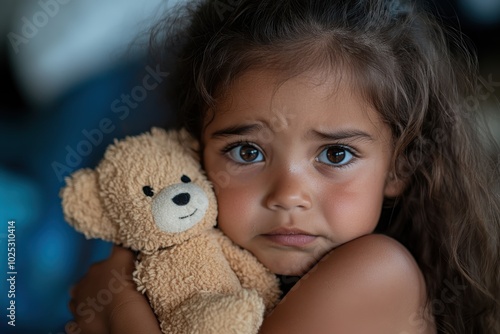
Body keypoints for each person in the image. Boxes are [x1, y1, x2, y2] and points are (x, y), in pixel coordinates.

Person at [65, 0, 500, 333]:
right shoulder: (197, 270)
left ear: (398, 168)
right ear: (193, 153)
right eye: (247, 152)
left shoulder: (380, 271)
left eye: (335, 155)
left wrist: (119, 303)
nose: (289, 194)